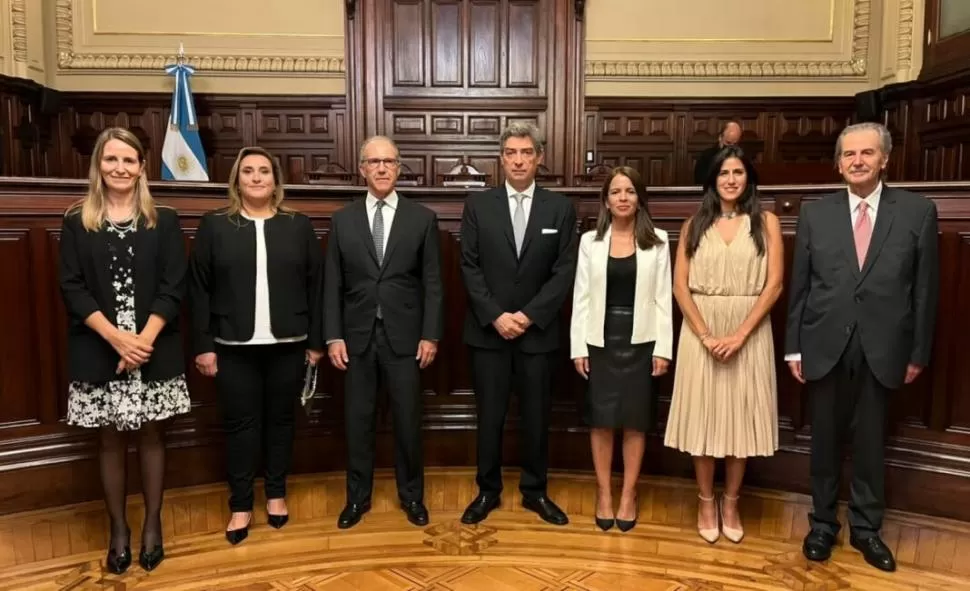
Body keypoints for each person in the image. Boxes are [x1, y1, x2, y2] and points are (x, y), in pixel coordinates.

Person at [785, 122, 939, 572]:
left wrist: (918, 352)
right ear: (838, 162)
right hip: (824, 342)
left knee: (872, 443)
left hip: (884, 346)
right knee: (824, 442)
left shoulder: (916, 212)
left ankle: (867, 529)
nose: (857, 161)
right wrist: (794, 347)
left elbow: (925, 293)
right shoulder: (816, 213)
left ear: (884, 159)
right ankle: (822, 525)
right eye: (849, 154)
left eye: (867, 153)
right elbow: (801, 287)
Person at [59, 126, 190, 573]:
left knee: (153, 436)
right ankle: (119, 530)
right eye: (111, 159)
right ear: (98, 164)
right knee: (110, 440)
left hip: (153, 348)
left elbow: (175, 287)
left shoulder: (164, 219)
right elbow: (72, 288)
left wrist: (142, 341)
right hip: (100, 347)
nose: (120, 168)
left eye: (128, 160)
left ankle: (153, 525)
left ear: (141, 168)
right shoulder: (77, 219)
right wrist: (117, 338)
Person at [189, 146, 324, 545]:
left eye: (264, 171)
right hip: (233, 344)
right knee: (241, 427)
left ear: (275, 179)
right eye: (247, 171)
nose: (256, 178)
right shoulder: (215, 226)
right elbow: (198, 290)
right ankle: (242, 502)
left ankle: (277, 494)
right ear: (237, 180)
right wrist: (204, 345)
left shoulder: (297, 225)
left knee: (282, 422)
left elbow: (316, 287)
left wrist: (316, 342)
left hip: (289, 342)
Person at [459, 122, 577, 526]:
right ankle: (487, 491)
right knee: (488, 418)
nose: (519, 159)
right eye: (511, 152)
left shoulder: (560, 208)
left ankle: (535, 491)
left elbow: (564, 271)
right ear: (501, 158)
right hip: (489, 333)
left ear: (539, 157)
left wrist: (527, 316)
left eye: (526, 152)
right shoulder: (478, 206)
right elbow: (469, 266)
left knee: (536, 418)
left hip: (537, 334)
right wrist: (495, 315)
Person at [664, 146, 783, 544]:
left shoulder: (766, 222)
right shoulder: (694, 223)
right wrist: (706, 335)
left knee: (740, 419)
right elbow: (680, 286)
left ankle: (731, 501)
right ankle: (704, 499)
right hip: (702, 332)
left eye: (738, 172)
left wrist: (739, 334)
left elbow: (775, 285)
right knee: (704, 417)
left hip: (749, 331)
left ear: (748, 178)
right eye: (723, 173)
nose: (731, 179)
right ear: (711, 181)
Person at [324, 136, 443, 529]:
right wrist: (333, 336)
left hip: (406, 338)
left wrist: (430, 335)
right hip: (356, 337)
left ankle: (412, 496)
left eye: (388, 162)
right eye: (373, 162)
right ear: (361, 169)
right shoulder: (343, 220)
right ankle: (357, 499)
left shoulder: (421, 218)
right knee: (358, 421)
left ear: (398, 168)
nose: (381, 168)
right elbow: (332, 284)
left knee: (408, 421)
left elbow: (433, 283)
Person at [570, 166, 672, 532]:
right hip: (600, 339)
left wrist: (663, 348)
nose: (623, 198)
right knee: (601, 421)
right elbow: (580, 297)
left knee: (635, 421)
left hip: (642, 340)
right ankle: (604, 494)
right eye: (616, 192)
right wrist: (577, 345)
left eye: (630, 191)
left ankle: (628, 493)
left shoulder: (658, 240)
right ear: (606, 200)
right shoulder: (589, 242)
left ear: (640, 198)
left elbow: (663, 299)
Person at [693, 121, 742, 185]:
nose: (731, 147)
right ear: (720, 138)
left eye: (735, 144)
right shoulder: (706, 156)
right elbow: (700, 181)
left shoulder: (742, 157)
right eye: (728, 143)